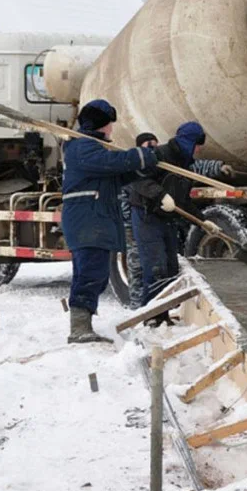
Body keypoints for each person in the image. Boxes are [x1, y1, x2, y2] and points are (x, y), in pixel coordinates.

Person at [61, 99, 157, 343]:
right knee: (90, 273)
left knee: (95, 273)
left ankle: (82, 325)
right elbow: (113, 163)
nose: (112, 129)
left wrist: (145, 164)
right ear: (101, 124)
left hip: (92, 220)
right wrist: (140, 155)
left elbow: (115, 175)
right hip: (87, 221)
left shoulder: (90, 149)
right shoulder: (84, 147)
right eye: (110, 124)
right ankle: (79, 328)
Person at [127, 121, 220, 312]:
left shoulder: (185, 164)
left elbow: (183, 201)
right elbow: (136, 178)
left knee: (170, 269)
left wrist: (203, 221)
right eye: (198, 143)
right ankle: (152, 317)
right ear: (188, 141)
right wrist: (159, 195)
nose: (201, 149)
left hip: (166, 219)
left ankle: (166, 315)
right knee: (155, 268)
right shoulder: (158, 155)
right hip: (147, 216)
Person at [118, 133, 161, 309]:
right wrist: (129, 219)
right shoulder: (131, 166)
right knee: (136, 265)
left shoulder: (154, 164)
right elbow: (122, 197)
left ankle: (151, 302)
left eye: (155, 144)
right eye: (149, 144)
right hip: (133, 224)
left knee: (152, 264)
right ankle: (136, 303)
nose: (153, 147)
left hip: (148, 222)